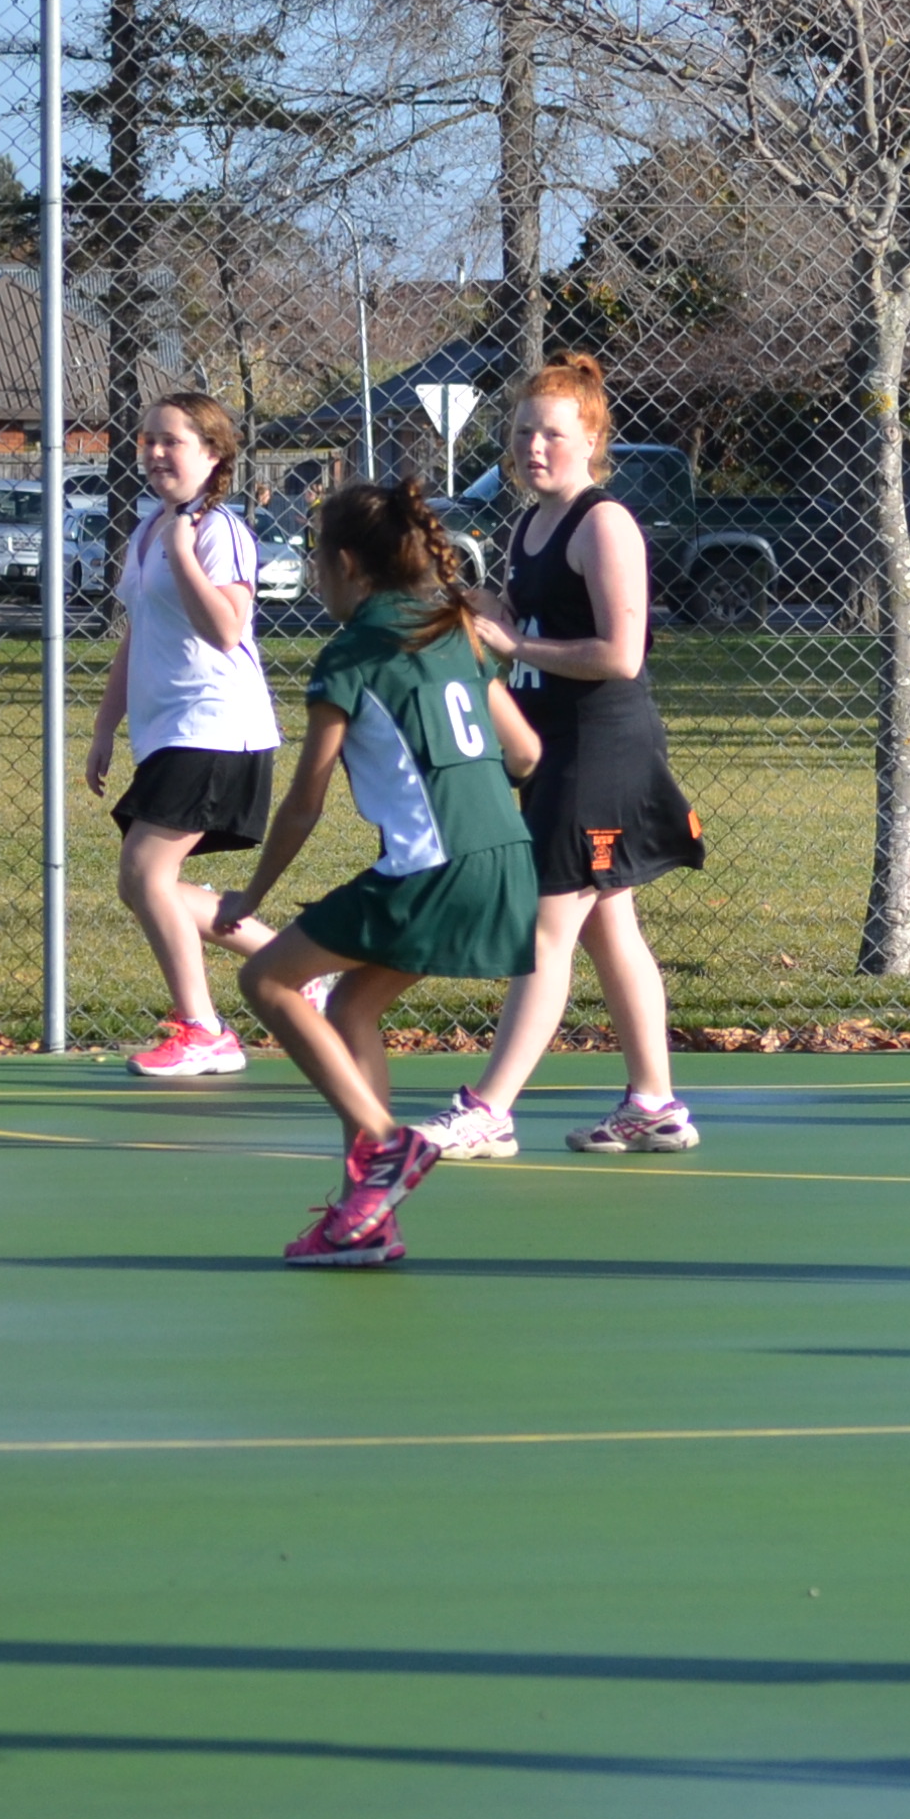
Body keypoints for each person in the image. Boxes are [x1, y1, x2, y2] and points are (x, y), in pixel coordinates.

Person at [234, 484, 545, 1271]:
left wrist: (253, 896)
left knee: (267, 979)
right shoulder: (457, 630)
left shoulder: (352, 656)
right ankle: (363, 1216)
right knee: (351, 1005)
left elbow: (303, 805)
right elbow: (525, 754)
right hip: (507, 860)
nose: (314, 576)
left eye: (315, 560)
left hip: (431, 868)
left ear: (346, 564)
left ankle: (382, 1146)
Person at [417, 357, 710, 1160]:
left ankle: (489, 1109)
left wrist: (515, 645)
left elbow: (620, 653)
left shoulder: (604, 524)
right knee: (610, 925)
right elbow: (516, 617)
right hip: (555, 751)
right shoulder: (527, 524)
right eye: (522, 432)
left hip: (602, 751)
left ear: (591, 440)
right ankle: (654, 1104)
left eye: (551, 432)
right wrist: (456, 598)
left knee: (544, 930)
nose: (533, 446)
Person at [83, 394, 283, 1080]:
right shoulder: (148, 530)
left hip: (219, 727)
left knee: (144, 874)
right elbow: (137, 634)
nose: (156, 452)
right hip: (170, 734)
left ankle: (204, 1031)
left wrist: (182, 553)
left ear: (213, 454)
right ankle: (293, 966)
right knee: (148, 884)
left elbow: (227, 628)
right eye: (149, 440)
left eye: (172, 441)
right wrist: (106, 726)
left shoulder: (218, 531)